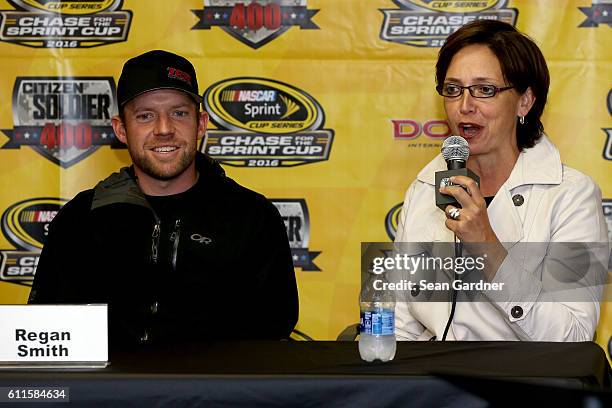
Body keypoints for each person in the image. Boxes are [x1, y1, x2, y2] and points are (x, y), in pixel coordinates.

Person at [29, 50, 299, 348]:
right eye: (145, 116)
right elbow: (45, 334)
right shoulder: (79, 220)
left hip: (216, 394)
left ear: (201, 123)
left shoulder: (253, 218)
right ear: (121, 129)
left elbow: (274, 332)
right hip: (110, 395)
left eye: (179, 113)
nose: (164, 129)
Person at [394, 20, 608, 341]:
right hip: (432, 384)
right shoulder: (425, 188)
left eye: (485, 90)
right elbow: (399, 323)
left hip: (522, 385)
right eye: (453, 90)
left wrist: (488, 247)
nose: (465, 106)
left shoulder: (571, 195)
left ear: (525, 101)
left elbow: (573, 337)